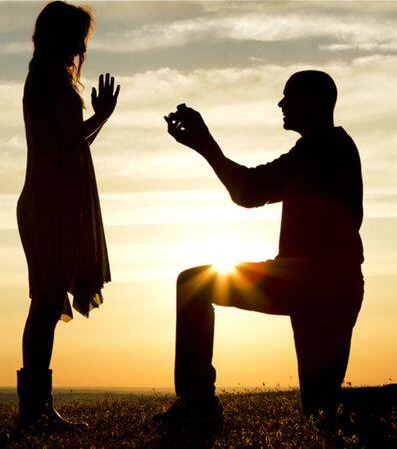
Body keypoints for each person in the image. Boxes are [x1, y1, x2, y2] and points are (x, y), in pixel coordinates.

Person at [156, 71, 364, 426]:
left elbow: (248, 190)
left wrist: (205, 143)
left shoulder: (320, 150)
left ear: (313, 102)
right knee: (321, 408)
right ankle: (197, 402)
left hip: (313, 287)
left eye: (289, 96)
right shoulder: (328, 147)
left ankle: (198, 404)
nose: (281, 104)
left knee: (193, 284)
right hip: (320, 286)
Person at [16, 0, 120, 433]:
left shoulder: (49, 78)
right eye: (77, 36)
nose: (82, 45)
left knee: (45, 301)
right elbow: (67, 140)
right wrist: (101, 115)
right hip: (49, 202)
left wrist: (99, 119)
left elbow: (71, 146)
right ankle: (36, 410)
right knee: (44, 304)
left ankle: (39, 408)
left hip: (54, 199)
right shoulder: (47, 79)